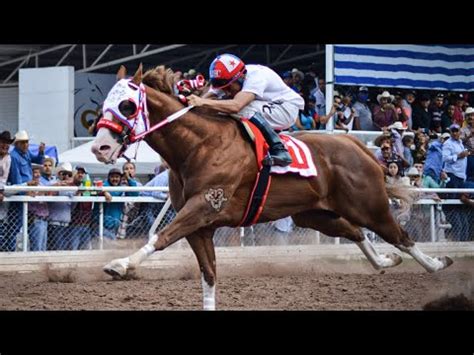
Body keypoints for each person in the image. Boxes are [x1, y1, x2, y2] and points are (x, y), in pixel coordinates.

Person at [187, 53, 305, 167]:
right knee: (219, 106)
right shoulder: (228, 77)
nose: (226, 91)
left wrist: (203, 102)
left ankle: (279, 149)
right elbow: (205, 100)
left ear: (241, 77)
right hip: (267, 105)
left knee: (241, 108)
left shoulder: (256, 77)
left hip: (286, 108)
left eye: (229, 87)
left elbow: (236, 106)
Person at [3, 130, 45, 252]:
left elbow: (38, 160)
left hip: (26, 193)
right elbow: (16, 180)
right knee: (15, 227)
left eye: (26, 142)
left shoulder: (24, 154)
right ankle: (9, 251)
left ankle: (10, 250)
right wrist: (26, 190)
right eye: (23, 143)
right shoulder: (14, 157)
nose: (26, 145)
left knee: (18, 226)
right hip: (20, 195)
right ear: (17, 144)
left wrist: (41, 152)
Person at [442, 123, 470, 241]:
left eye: (456, 131)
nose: (454, 133)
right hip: (452, 175)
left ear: (459, 131)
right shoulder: (448, 143)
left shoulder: (459, 143)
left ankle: (461, 239)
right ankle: (451, 220)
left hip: (460, 176)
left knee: (459, 202)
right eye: (452, 131)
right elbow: (445, 158)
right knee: (452, 201)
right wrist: (459, 155)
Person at [48, 162, 75, 250]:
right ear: (59, 174)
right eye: (64, 174)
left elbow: (73, 206)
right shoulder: (53, 184)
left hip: (66, 224)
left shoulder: (72, 188)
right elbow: (48, 196)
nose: (66, 176)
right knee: (58, 249)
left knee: (64, 249)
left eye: (69, 174)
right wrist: (58, 186)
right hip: (55, 223)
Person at [0, 131, 13, 250]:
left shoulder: (8, 158)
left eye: (7, 143)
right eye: (3, 142)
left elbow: (4, 179)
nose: (5, 145)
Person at [460, 107, 474, 181]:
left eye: (472, 115)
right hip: (470, 156)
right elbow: (460, 142)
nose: (470, 117)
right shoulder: (462, 129)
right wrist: (469, 136)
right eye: (468, 116)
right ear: (465, 117)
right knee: (470, 177)